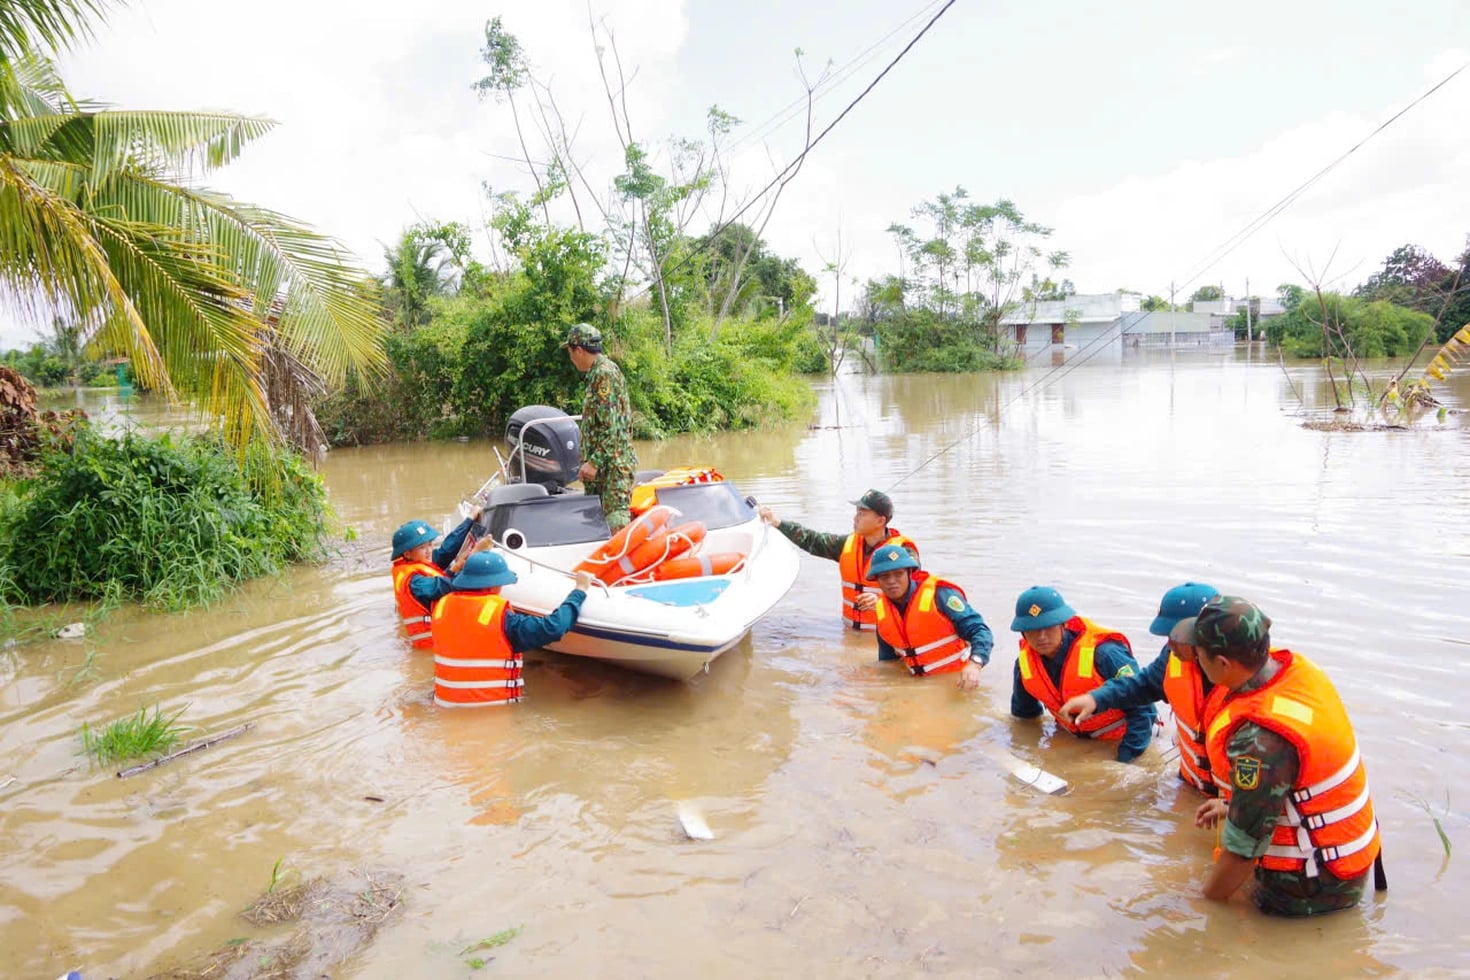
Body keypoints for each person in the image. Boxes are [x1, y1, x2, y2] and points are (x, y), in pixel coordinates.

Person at [1185, 595, 1383, 916]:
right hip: (1349, 854)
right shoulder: (1297, 672)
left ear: (1222, 663)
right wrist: (1235, 804)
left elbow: (1242, 851)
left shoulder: (1260, 741)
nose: (1195, 661)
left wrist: (1201, 905)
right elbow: (1293, 782)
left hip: (1313, 885)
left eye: (1198, 656)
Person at [1058, 582, 1220, 792]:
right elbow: (1143, 684)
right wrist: (1095, 699)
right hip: (1193, 784)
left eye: (1176, 637)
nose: (1169, 645)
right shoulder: (1174, 657)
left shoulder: (1241, 677)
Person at [1009, 586, 1155, 762]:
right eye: (1033, 628)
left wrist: (1125, 760)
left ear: (1063, 624)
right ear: (1023, 632)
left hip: (1123, 740)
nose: (1041, 636)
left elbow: (1144, 710)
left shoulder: (1105, 654)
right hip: (1073, 739)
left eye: (1048, 627)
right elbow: (1025, 717)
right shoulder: (1024, 665)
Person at [432, 552, 595, 708]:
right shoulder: (503, 619)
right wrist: (579, 591)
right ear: (494, 586)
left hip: (445, 705)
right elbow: (554, 628)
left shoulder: (442, 605)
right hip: (490, 712)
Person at [758, 489, 920, 631]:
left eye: (862, 514)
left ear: (880, 521)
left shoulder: (903, 551)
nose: (855, 518)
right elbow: (814, 540)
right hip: (851, 632)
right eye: (857, 512)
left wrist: (881, 600)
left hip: (887, 638)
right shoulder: (847, 544)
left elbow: (917, 591)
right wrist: (777, 522)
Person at [865, 546, 991, 690]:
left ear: (909, 573)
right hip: (919, 687)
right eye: (885, 576)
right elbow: (889, 664)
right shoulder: (883, 612)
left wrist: (974, 664)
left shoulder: (940, 595)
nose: (892, 581)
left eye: (898, 574)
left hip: (960, 682)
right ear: (877, 580)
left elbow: (980, 631)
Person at [564, 323, 637, 532]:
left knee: (617, 527)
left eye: (570, 353)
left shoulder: (604, 375)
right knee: (597, 529)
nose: (570, 359)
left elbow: (614, 428)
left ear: (578, 350)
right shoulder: (597, 374)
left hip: (612, 469)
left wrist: (593, 463)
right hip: (600, 469)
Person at [390, 511, 493, 650]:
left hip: (437, 638)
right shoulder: (415, 581)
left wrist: (469, 520)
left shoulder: (415, 564)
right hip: (432, 645)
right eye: (422, 547)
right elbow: (444, 587)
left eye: (430, 544)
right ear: (407, 553)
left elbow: (447, 549)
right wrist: (472, 557)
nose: (428, 551)